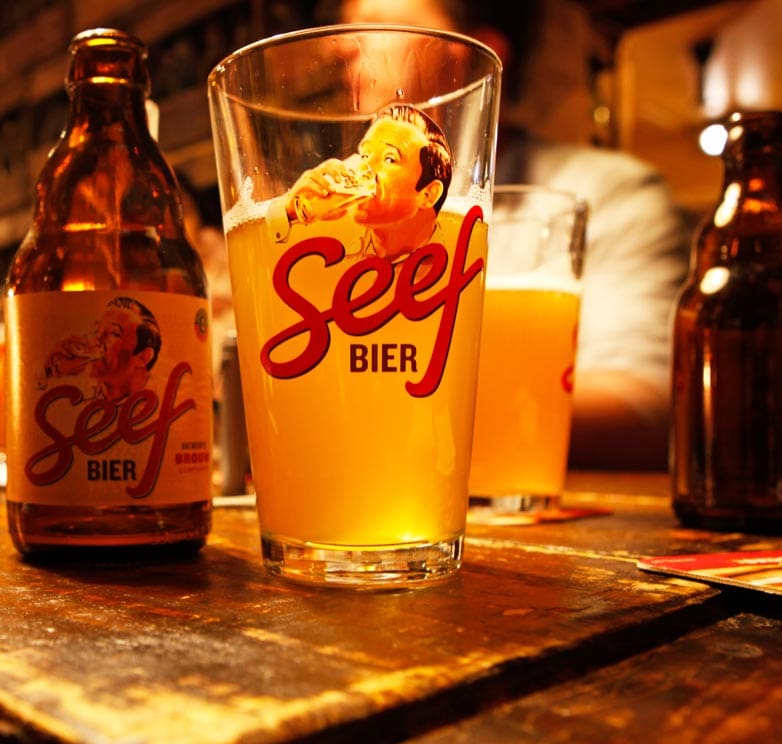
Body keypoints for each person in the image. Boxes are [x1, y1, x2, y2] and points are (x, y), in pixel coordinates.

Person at [339, 0, 691, 470]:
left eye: (376, 26)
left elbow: (647, 404)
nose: (343, 47)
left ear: (472, 53)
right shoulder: (350, 218)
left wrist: (377, 403)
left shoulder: (604, 194)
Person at [267, 104, 452, 261]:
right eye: (365, 155)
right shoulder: (336, 250)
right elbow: (262, 263)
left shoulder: (455, 258)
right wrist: (290, 210)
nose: (364, 167)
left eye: (389, 159)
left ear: (429, 194)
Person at [43, 296, 162, 402]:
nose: (95, 340)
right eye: (96, 330)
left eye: (113, 333)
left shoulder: (159, 402)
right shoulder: (80, 391)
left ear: (143, 357)